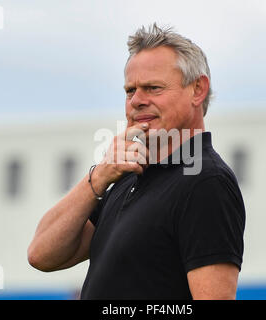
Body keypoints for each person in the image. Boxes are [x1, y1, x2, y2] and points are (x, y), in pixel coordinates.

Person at [28, 23, 246, 300]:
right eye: (130, 91)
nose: (137, 101)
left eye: (153, 88)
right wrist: (100, 175)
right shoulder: (128, 176)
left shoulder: (205, 181)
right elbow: (41, 254)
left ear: (198, 89)